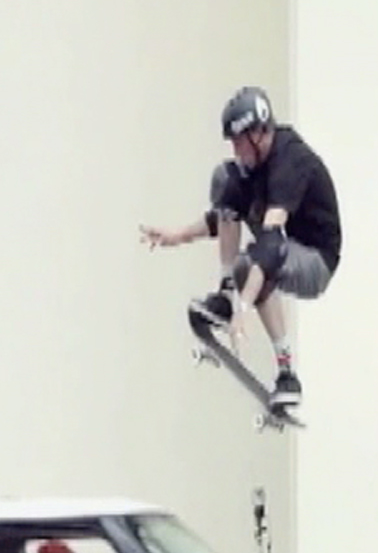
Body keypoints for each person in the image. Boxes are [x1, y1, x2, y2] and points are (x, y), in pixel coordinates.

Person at [140, 85, 342, 408]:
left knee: (252, 265)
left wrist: (243, 307)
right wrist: (176, 236)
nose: (235, 150)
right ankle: (224, 293)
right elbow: (222, 216)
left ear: (258, 134)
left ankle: (287, 373)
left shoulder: (290, 160)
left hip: (317, 260)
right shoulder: (257, 164)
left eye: (238, 142)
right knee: (228, 181)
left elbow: (271, 247)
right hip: (284, 245)